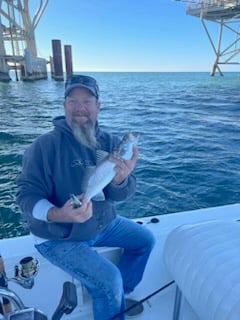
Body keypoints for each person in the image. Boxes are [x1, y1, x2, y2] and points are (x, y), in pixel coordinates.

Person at [16, 74, 155, 320]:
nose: (80, 108)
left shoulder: (111, 142)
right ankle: (111, 292)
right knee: (109, 280)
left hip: (102, 224)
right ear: (64, 105)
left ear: (98, 106)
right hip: (57, 236)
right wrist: (59, 213)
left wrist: (121, 179)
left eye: (88, 101)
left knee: (145, 240)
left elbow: (121, 194)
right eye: (73, 100)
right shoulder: (43, 146)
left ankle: (121, 293)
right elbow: (26, 195)